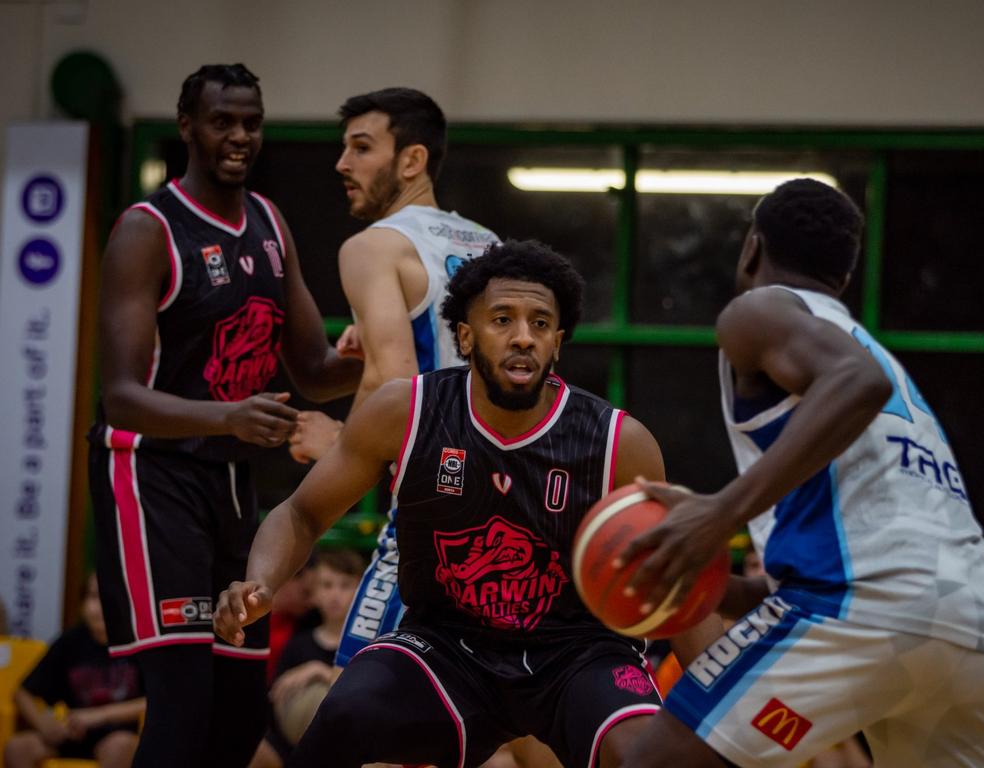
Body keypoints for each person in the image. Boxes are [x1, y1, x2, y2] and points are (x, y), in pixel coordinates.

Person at [215, 240, 666, 767]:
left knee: (647, 756)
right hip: (450, 647)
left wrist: (720, 702)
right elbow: (302, 512)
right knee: (346, 712)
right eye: (503, 319)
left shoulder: (619, 441)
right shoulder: (407, 410)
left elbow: (677, 571)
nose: (524, 337)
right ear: (467, 336)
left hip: (577, 651)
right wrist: (262, 581)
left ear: (558, 342)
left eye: (541, 324)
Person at [616, 179, 984, 767]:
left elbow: (859, 385)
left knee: (656, 762)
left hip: (865, 604)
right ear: (845, 280)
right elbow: (852, 547)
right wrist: (706, 582)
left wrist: (719, 510)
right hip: (974, 615)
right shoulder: (873, 352)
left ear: (752, 248)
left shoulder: (764, 309)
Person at [88, 63, 361, 768]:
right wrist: (228, 415)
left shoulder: (269, 223)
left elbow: (313, 371)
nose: (240, 136)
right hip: (151, 477)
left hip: (231, 479)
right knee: (181, 709)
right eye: (223, 121)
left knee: (241, 715)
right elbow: (119, 394)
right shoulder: (149, 230)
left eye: (251, 121)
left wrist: (383, 351)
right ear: (187, 127)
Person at [284, 87, 499, 669]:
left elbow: (394, 380)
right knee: (513, 713)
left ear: (411, 160)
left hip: (437, 509)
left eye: (361, 147)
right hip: (514, 503)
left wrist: (341, 447)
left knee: (359, 696)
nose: (342, 164)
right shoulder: (489, 245)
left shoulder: (373, 247)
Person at [4, 573, 145, 768]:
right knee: (17, 748)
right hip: (72, 733)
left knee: (121, 746)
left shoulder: (136, 643)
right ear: (82, 604)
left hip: (115, 734)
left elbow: (154, 700)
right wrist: (44, 724)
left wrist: (98, 716)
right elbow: (22, 693)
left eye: (110, 598)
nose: (102, 607)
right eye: (94, 597)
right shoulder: (70, 642)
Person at [249, 549, 364, 768]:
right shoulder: (298, 644)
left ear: (361, 592)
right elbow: (275, 696)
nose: (335, 595)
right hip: (291, 743)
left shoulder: (369, 646)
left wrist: (322, 671)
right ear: (314, 594)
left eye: (345, 585)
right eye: (327, 585)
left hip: (350, 747)